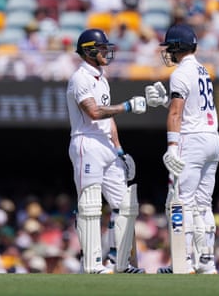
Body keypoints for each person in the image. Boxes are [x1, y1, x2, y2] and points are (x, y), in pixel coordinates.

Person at [66, 28, 147, 274]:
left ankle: (121, 264)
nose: (106, 52)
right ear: (89, 51)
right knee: (90, 204)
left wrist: (120, 150)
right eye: (101, 48)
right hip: (86, 142)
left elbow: (108, 120)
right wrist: (128, 106)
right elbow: (94, 112)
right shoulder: (80, 77)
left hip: (106, 145)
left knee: (125, 205)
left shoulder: (102, 77)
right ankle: (91, 264)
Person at [145, 24, 219, 274]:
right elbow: (188, 107)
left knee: (181, 201)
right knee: (203, 204)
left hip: (192, 140)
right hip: (212, 138)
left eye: (169, 47)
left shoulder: (180, 73)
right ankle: (206, 262)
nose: (167, 51)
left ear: (178, 47)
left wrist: (172, 146)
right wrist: (163, 101)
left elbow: (177, 113)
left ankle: (183, 261)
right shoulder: (202, 70)